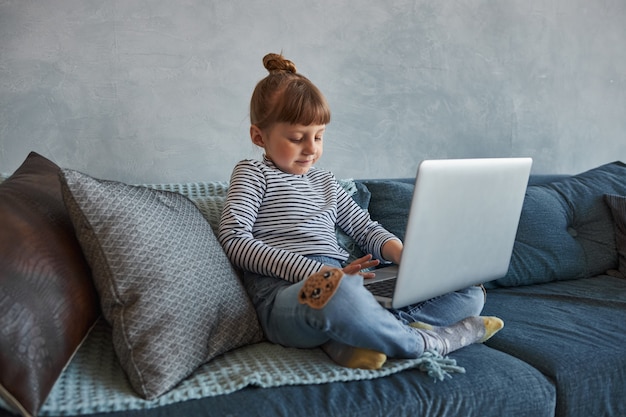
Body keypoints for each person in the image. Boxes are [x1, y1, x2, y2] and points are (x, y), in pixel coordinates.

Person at [218, 52, 503, 370]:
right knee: (338, 296)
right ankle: (427, 341)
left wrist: (406, 258)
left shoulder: (324, 181)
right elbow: (234, 240)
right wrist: (318, 275)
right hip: (285, 294)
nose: (311, 148)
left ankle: (360, 335)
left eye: (319, 136)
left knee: (469, 291)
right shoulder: (252, 173)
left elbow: (364, 229)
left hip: (348, 283)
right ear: (259, 136)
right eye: (297, 138)